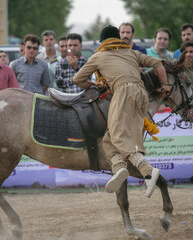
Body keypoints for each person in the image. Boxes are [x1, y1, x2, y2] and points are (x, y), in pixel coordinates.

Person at [72, 25, 170, 197]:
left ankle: (146, 169)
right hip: (142, 94)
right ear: (118, 39)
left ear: (102, 42)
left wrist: (94, 84)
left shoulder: (98, 55)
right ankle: (119, 167)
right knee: (110, 137)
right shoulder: (131, 52)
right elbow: (157, 64)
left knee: (117, 134)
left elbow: (77, 79)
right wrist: (165, 85)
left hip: (123, 92)